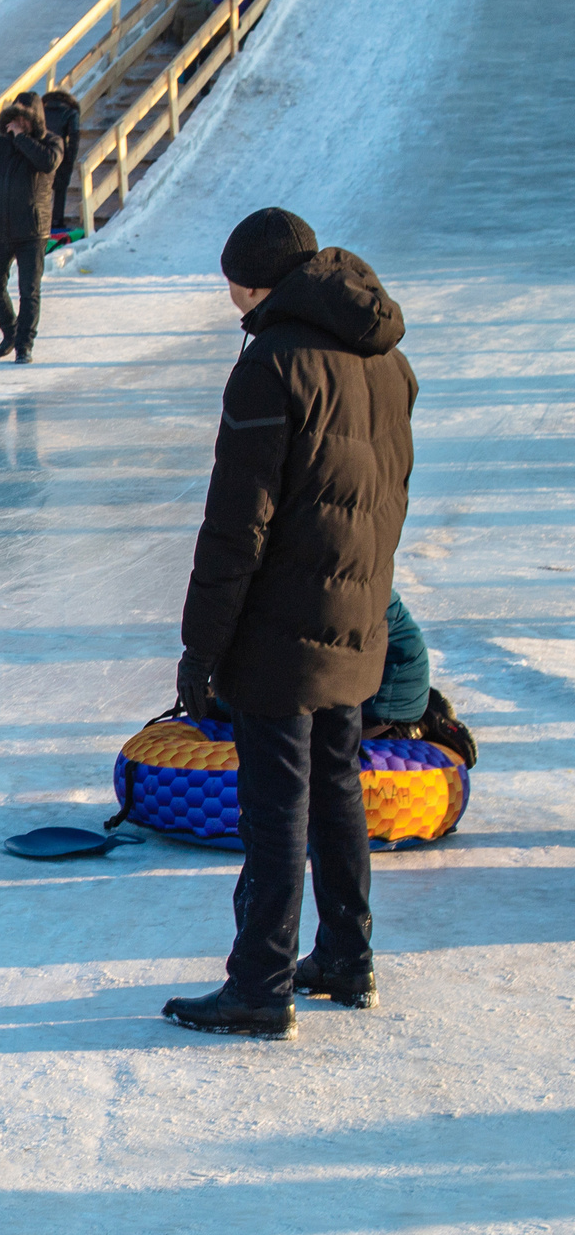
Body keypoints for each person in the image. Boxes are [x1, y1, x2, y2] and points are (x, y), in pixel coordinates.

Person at [164, 209, 415, 1041]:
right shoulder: (386, 359)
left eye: (232, 282)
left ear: (255, 283)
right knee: (336, 785)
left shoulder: (271, 366)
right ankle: (347, 956)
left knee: (275, 805)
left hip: (281, 626)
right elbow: (388, 497)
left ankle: (260, 985)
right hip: (356, 612)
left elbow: (237, 527)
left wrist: (203, 648)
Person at [0, 91, 61, 362]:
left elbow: (48, 163)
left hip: (32, 231)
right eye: (14, 117)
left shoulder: (50, 143)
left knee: (29, 290)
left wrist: (22, 139)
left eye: (23, 118)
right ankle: (10, 332)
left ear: (33, 119)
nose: (16, 123)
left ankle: (24, 345)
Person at [42, 88, 82, 233]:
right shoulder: (71, 112)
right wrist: (70, 158)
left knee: (41, 189)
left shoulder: (42, 110)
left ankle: (42, 221)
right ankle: (57, 221)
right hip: (61, 153)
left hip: (42, 151)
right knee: (60, 189)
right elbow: (74, 138)